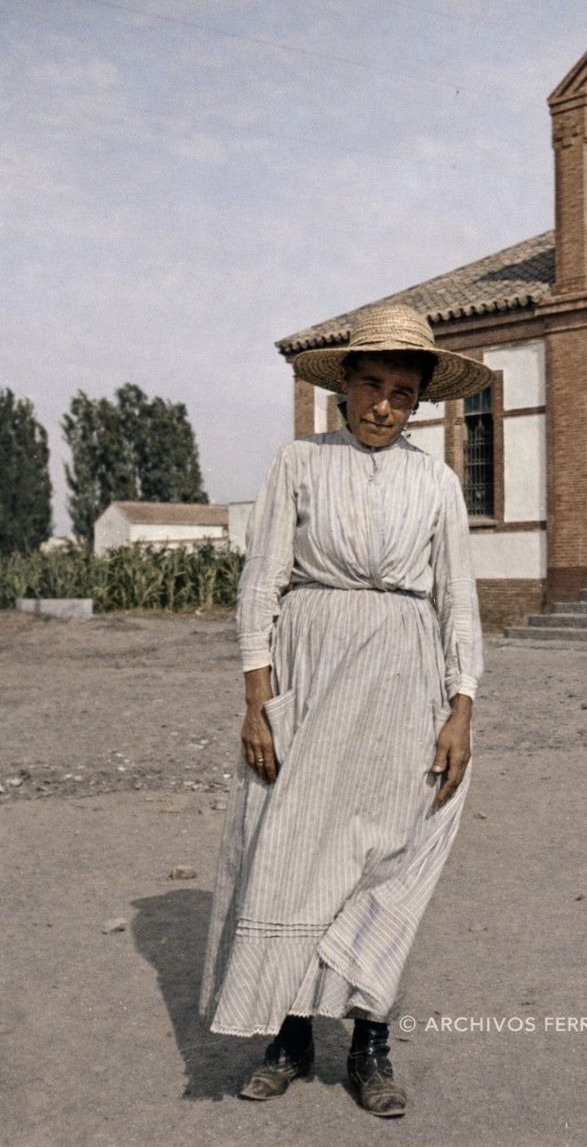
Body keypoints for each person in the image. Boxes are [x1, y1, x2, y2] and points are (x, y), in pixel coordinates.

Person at [198, 303, 491, 1117]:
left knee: (387, 861)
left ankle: (370, 1045)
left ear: (419, 402)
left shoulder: (434, 483)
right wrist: (259, 703)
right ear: (344, 389)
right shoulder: (298, 462)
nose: (384, 406)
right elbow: (260, 584)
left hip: (405, 679)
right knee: (290, 852)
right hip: (310, 672)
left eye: (402, 393)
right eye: (371, 386)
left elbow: (458, 600)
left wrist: (460, 709)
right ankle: (288, 1037)